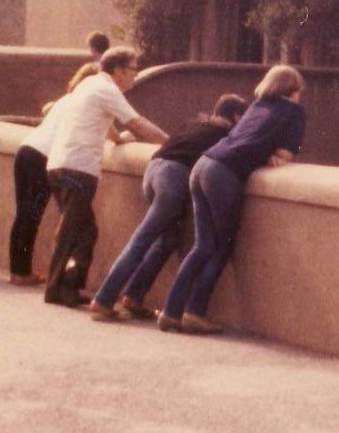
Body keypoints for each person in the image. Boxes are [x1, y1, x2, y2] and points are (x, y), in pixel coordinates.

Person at [160, 65, 305, 334]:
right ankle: (194, 312)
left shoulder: (257, 105)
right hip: (224, 174)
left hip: (203, 164)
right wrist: (272, 154)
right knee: (221, 246)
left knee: (202, 245)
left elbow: (247, 137)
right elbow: (286, 154)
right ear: (293, 90)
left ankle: (170, 312)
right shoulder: (294, 111)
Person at [90, 93, 248, 322]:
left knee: (167, 240)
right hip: (173, 177)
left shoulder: (194, 124)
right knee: (142, 239)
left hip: (153, 170)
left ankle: (134, 296)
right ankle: (104, 299)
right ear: (236, 117)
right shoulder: (224, 135)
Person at [42, 46, 169, 308]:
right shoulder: (108, 90)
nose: (135, 75)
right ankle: (57, 289)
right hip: (79, 168)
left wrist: (117, 138)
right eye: (133, 69)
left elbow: (103, 122)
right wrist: (170, 142)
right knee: (74, 232)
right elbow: (136, 123)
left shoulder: (88, 85)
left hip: (58, 164)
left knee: (82, 230)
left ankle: (64, 287)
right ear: (118, 70)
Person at [8, 102, 63, 285]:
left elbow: (46, 108)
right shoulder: (86, 101)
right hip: (41, 158)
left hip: (25, 150)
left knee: (22, 214)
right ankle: (23, 273)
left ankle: (16, 272)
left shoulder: (67, 99)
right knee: (32, 216)